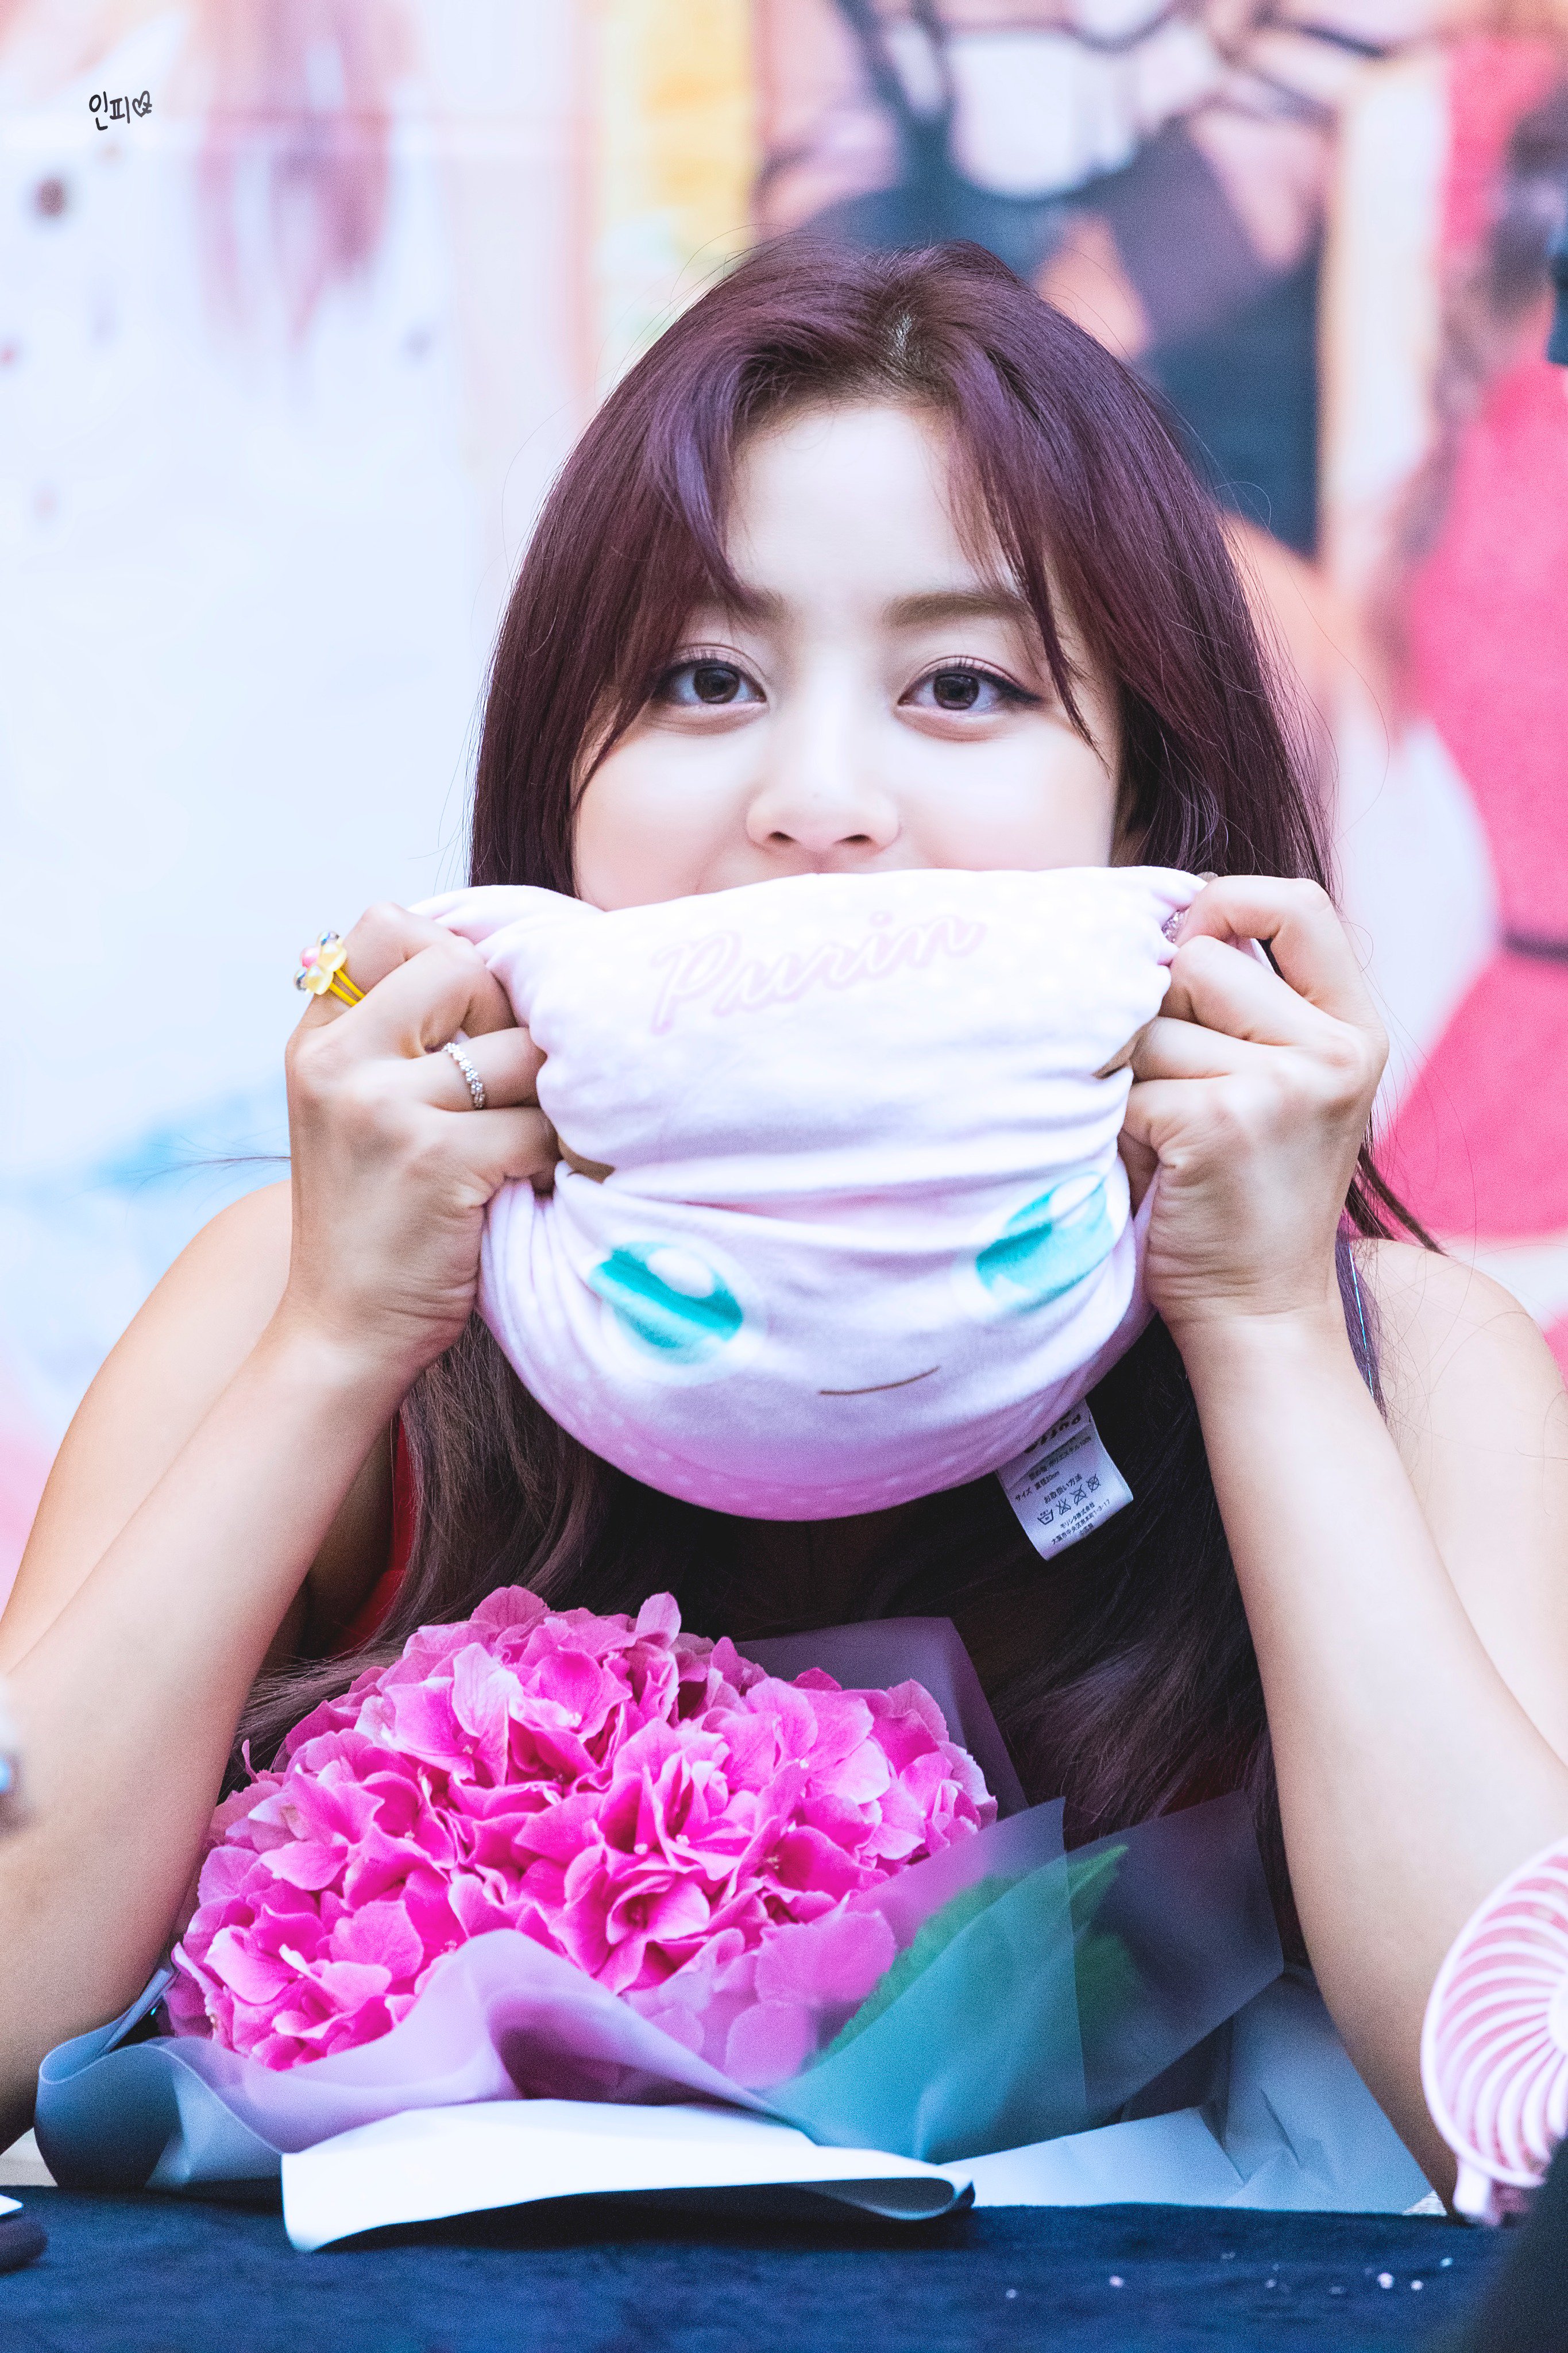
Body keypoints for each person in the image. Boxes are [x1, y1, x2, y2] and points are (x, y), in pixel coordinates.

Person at [2, 241, 1564, 2193]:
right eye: (704, 680)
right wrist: (336, 1346)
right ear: (555, 798)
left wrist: (1255, 1332)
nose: (820, 799)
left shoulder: (1404, 1367)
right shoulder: (292, 1299)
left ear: (1145, 824)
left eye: (962, 687)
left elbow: (1525, 2121)